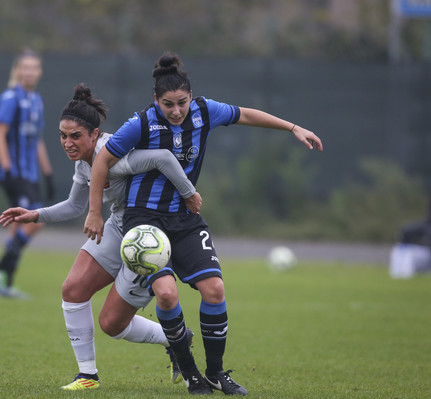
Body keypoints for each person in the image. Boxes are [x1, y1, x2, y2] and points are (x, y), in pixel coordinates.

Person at [84, 52, 323, 395]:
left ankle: (216, 374)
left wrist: (293, 127)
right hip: (145, 220)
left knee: (215, 290)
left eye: (182, 102)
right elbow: (102, 161)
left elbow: (246, 114)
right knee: (166, 294)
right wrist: (94, 212)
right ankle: (192, 373)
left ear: (191, 97)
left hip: (184, 219)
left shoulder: (205, 111)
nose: (177, 110)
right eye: (168, 104)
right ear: (156, 101)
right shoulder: (142, 123)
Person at [0, 84, 202, 390]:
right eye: (63, 136)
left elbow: (162, 157)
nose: (68, 143)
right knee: (73, 287)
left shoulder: (115, 155)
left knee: (111, 324)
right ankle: (87, 376)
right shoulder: (83, 163)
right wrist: (35, 214)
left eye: (75, 136)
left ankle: (176, 337)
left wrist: (189, 194)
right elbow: (75, 206)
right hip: (119, 225)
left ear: (95, 135)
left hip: (147, 233)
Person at [0, 49, 55, 299]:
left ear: (39, 72)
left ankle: (5, 282)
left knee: (18, 225)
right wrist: (7, 167)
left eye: (33, 67)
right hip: (15, 173)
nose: (29, 72)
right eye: (24, 67)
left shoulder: (36, 100)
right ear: (17, 70)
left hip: (31, 174)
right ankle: (0, 266)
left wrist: (47, 173)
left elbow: (37, 141)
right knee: (36, 218)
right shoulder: (10, 97)